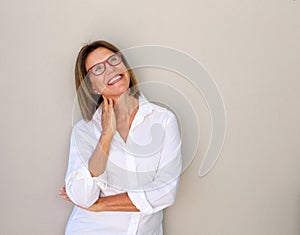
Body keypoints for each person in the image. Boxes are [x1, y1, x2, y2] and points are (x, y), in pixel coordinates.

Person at [59, 40, 182, 235]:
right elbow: (82, 197)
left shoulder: (164, 120)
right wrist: (106, 137)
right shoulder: (84, 131)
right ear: (92, 87)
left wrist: (101, 204)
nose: (110, 69)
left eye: (114, 60)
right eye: (98, 69)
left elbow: (166, 192)